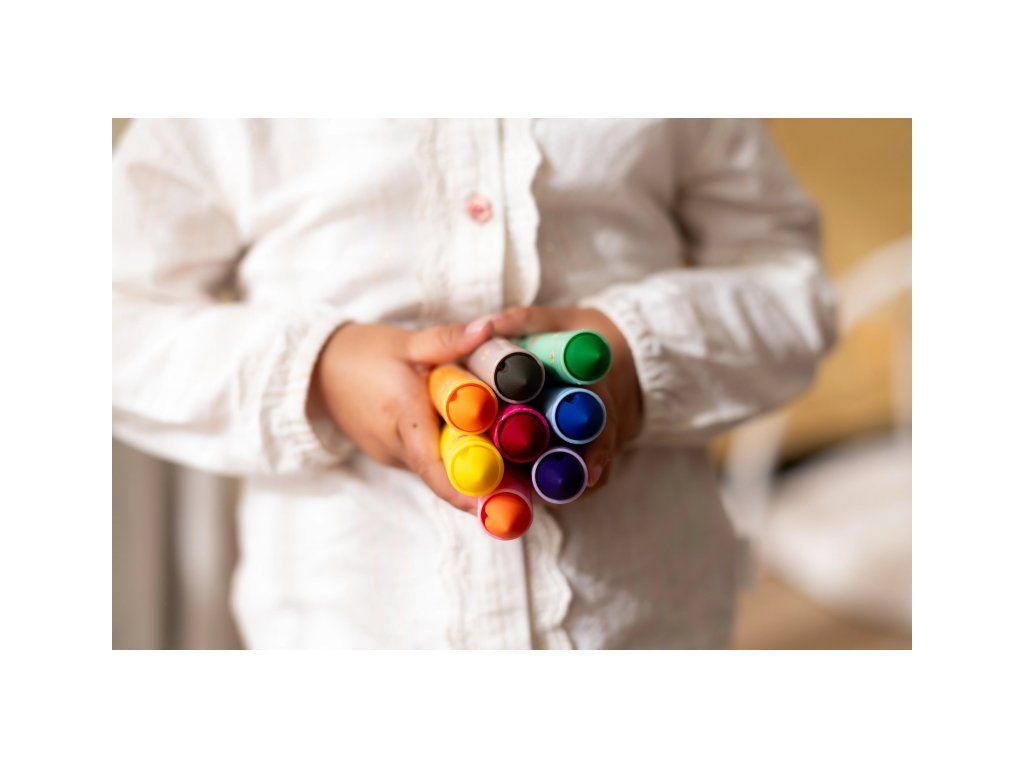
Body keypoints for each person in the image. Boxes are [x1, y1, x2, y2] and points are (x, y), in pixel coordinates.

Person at [112, 119, 836, 649]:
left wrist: (637, 352)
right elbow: (116, 315)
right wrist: (322, 372)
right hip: (343, 629)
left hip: (649, 626)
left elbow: (790, 285)